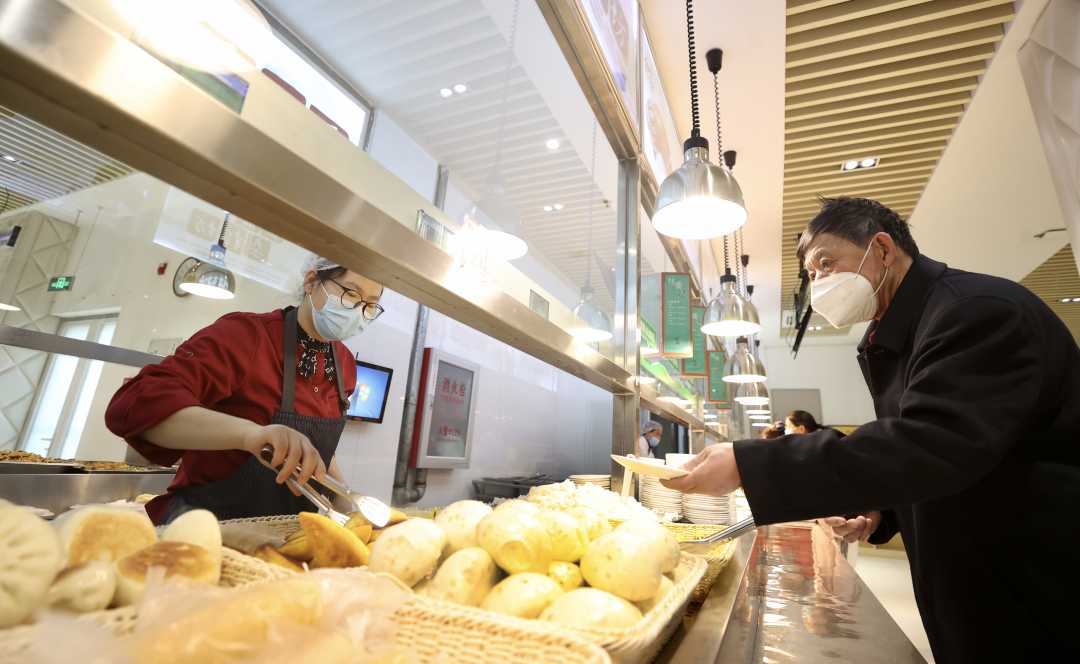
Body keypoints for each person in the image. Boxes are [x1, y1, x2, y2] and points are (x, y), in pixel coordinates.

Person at [663, 197, 1080, 661]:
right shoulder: (896, 332)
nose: (818, 282)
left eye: (826, 262)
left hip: (1033, 570)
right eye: (811, 273)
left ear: (881, 249)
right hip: (971, 569)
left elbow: (932, 445)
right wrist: (884, 511)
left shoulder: (975, 312)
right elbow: (932, 451)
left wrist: (749, 461)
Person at [105, 256, 384, 524]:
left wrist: (345, 498)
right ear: (312, 281)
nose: (358, 310)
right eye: (350, 294)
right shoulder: (247, 335)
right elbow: (135, 403)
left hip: (286, 532)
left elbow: (319, 448)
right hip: (207, 524)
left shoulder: (345, 364)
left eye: (370, 305)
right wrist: (252, 435)